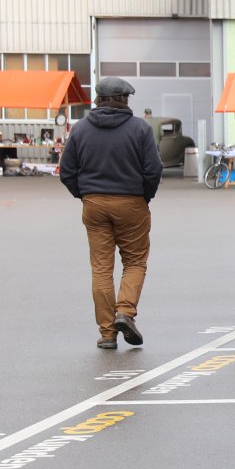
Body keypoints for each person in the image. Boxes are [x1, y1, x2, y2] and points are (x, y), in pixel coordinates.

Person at [59, 77, 162, 349]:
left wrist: (84, 194)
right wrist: (144, 196)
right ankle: (125, 312)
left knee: (102, 269)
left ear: (98, 99)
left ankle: (107, 334)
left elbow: (66, 171)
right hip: (131, 203)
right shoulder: (140, 129)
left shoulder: (80, 129)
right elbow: (154, 170)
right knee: (135, 262)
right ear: (125, 99)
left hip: (94, 204)